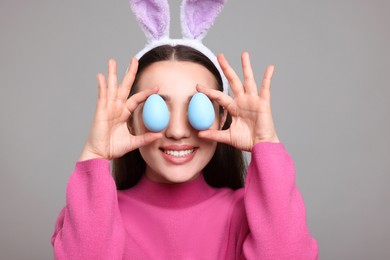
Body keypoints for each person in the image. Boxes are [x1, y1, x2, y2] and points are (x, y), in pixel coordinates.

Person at [51, 44, 319, 259]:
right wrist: (95, 155)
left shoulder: (246, 215)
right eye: (157, 108)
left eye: (197, 108)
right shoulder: (96, 216)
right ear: (130, 120)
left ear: (222, 117)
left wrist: (265, 143)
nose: (178, 131)